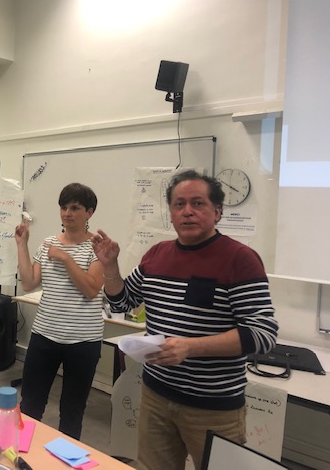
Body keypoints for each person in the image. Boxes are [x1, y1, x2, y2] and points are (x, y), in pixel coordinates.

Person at [91, 169, 278, 470]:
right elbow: (122, 302)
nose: (187, 211)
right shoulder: (156, 255)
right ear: (171, 213)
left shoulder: (240, 259)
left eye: (198, 203)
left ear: (217, 211)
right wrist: (111, 267)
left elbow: (263, 333)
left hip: (213, 407)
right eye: (179, 204)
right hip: (156, 394)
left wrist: (190, 347)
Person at [14, 182, 104, 440]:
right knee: (30, 404)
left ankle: (65, 458)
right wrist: (22, 245)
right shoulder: (49, 244)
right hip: (45, 335)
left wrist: (65, 258)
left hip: (83, 342)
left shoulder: (97, 247)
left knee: (72, 411)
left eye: (74, 208)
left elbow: (91, 289)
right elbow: (29, 282)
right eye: (63, 207)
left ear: (89, 212)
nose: (67, 213)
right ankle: (23, 453)